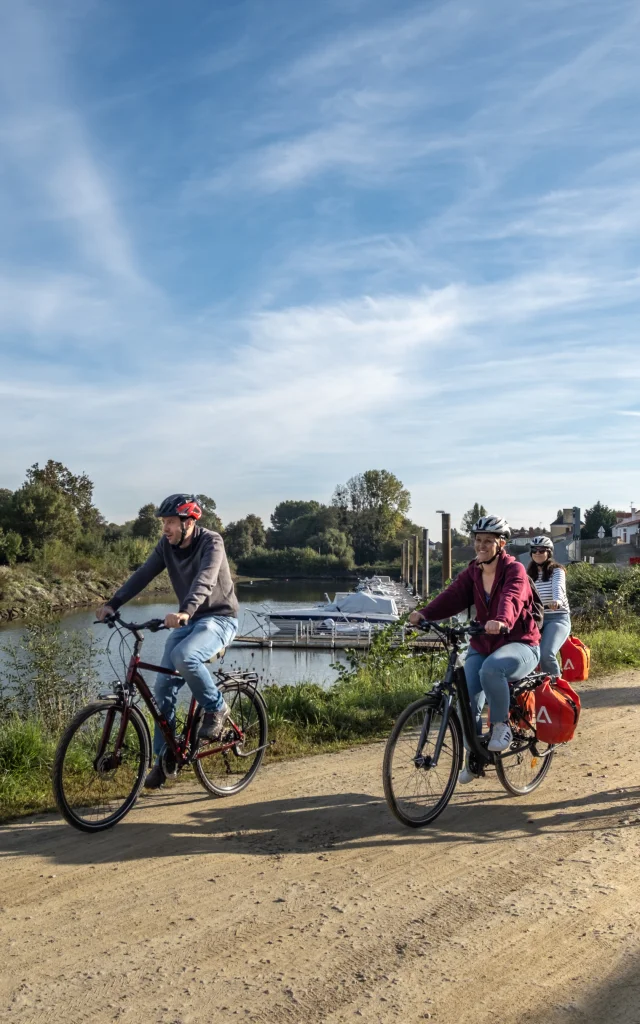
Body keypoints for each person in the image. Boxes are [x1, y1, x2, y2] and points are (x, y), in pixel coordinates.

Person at [96, 494, 239, 789]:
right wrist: (114, 603)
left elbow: (205, 580)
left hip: (219, 618)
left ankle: (217, 707)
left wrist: (185, 610)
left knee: (185, 656)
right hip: (189, 620)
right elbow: (143, 574)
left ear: (189, 522)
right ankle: (165, 759)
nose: (165, 528)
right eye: (164, 522)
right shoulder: (166, 546)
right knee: (162, 688)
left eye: (171, 522)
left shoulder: (211, 542)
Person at [409, 515, 540, 780]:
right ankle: (475, 757)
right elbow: (452, 596)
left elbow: (512, 598)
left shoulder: (514, 570)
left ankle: (501, 725)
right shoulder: (474, 571)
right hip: (484, 643)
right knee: (465, 698)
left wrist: (502, 621)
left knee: (491, 669)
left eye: (488, 541)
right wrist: (425, 614)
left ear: (501, 544)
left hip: (520, 643)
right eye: (478, 540)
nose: (481, 545)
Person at [526, 535, 571, 679]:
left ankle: (556, 685)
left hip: (557, 618)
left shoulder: (557, 571)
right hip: (536, 619)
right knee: (524, 652)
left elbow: (559, 587)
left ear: (549, 552)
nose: (538, 553)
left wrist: (557, 601)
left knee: (546, 654)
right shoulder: (528, 575)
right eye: (534, 550)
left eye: (542, 550)